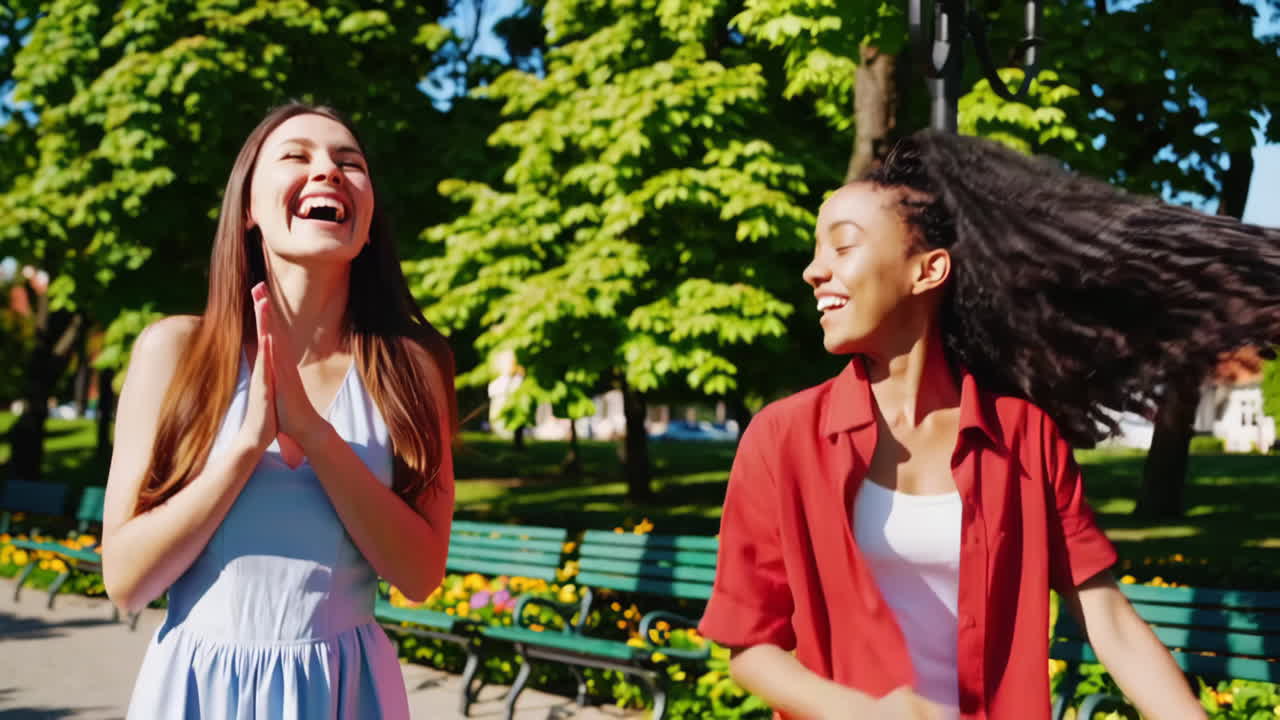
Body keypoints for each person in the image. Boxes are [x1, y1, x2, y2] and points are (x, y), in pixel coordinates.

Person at [699, 131, 1280, 720]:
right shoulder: (782, 438)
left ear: (928, 271)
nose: (813, 271)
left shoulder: (1025, 437)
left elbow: (1106, 617)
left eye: (842, 247)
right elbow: (750, 645)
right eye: (816, 249)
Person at [101, 102, 457, 719]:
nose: (328, 172)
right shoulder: (173, 352)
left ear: (366, 223)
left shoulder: (411, 367)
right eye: (297, 156)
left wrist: (315, 435)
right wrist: (245, 446)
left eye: (350, 162)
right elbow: (127, 582)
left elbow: (420, 575)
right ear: (248, 211)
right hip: (196, 692)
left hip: (348, 695)